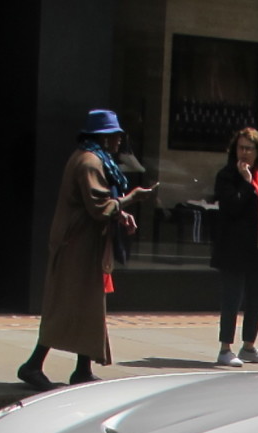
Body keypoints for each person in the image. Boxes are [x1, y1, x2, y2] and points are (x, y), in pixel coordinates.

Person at [18, 109, 156, 391]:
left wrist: (119, 213)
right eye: (115, 136)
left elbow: (100, 203)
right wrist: (132, 199)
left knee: (89, 307)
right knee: (67, 305)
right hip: (77, 247)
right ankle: (33, 365)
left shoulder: (91, 158)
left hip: (84, 244)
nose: (119, 142)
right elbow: (99, 208)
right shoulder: (89, 163)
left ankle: (83, 368)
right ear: (103, 138)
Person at [210, 127, 258, 366]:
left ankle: (249, 346)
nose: (244, 153)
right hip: (234, 247)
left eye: (249, 148)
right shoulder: (227, 175)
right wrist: (245, 183)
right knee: (232, 298)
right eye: (240, 148)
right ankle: (225, 348)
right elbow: (232, 207)